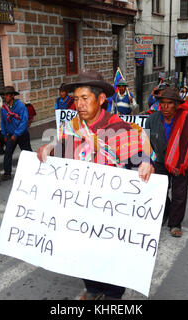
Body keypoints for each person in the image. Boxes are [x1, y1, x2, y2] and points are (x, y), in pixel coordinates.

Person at [37, 70, 155, 300]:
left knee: (110, 251)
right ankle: (92, 287)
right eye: (76, 99)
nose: (79, 104)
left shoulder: (118, 127)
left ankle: (112, 293)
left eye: (85, 98)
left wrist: (146, 164)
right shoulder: (72, 127)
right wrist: (50, 149)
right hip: (81, 207)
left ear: (101, 99)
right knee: (83, 249)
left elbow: (140, 161)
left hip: (111, 210)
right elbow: (64, 153)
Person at [145, 87, 188, 237]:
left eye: (169, 103)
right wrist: (146, 162)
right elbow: (145, 143)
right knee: (160, 192)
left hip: (180, 163)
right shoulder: (152, 120)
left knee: (179, 193)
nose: (165, 107)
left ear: (176, 105)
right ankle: (167, 211)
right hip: (159, 161)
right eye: (162, 103)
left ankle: (175, 223)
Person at [1, 86, 31, 181]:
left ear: (12, 96)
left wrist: (16, 134)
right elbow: (3, 122)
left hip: (22, 134)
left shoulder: (20, 106)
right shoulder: (4, 108)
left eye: (7, 95)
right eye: (4, 95)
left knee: (27, 152)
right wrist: (4, 134)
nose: (5, 97)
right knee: (8, 153)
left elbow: (24, 121)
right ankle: (7, 173)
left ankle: (33, 168)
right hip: (10, 134)